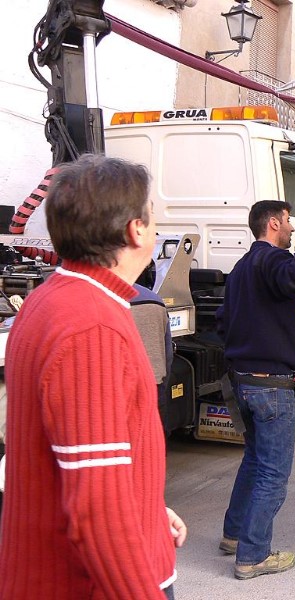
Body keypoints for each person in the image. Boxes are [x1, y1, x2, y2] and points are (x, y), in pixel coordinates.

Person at [0, 154, 186, 600]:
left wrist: (147, 507)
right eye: (152, 212)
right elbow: (97, 511)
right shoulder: (91, 325)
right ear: (136, 229)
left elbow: (78, 456)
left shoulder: (54, 298)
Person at [217, 200, 295, 580]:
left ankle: (233, 535)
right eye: (290, 222)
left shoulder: (242, 268)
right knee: (273, 474)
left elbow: (222, 321)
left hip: (243, 381)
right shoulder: (272, 260)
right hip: (270, 386)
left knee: (254, 461)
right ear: (274, 224)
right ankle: (253, 556)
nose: (293, 228)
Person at [131, 282, 174, 428]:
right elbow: (167, 353)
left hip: (118, 390)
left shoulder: (98, 298)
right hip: (154, 384)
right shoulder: (154, 299)